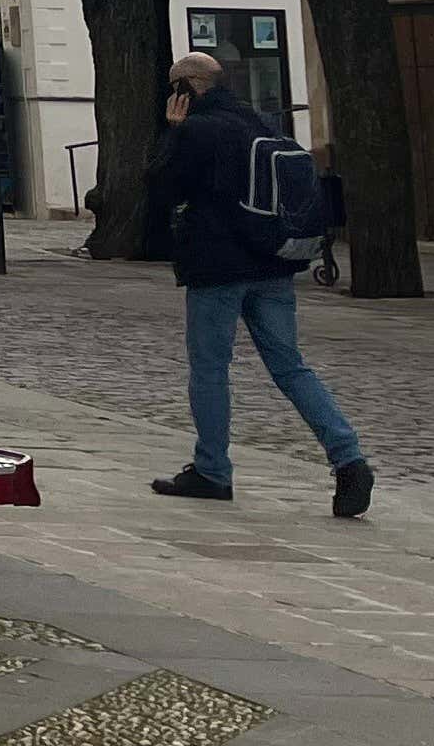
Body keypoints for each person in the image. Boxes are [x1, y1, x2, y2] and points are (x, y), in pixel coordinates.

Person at [146, 52, 371, 517]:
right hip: (273, 265)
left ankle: (212, 470)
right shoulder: (263, 125)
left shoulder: (197, 130)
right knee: (291, 367)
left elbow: (161, 186)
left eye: (174, 85)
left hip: (217, 268)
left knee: (210, 368)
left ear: (189, 87)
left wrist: (173, 131)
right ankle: (348, 458)